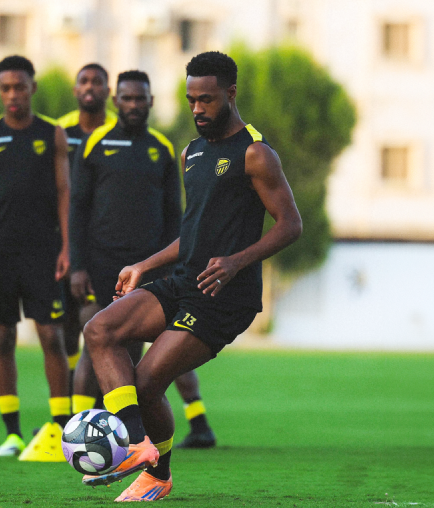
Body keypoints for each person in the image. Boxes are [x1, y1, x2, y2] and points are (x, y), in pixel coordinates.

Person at [79, 51, 303, 501]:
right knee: (99, 330)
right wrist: (144, 265)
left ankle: (155, 471)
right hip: (183, 282)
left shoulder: (256, 154)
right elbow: (194, 232)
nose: (197, 109)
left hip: (225, 297)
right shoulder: (191, 152)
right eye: (191, 100)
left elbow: (291, 225)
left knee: (147, 382)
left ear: (230, 94)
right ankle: (140, 450)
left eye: (207, 100)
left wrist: (236, 261)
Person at [64, 67, 218, 449]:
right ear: (115, 101)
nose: (133, 104)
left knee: (141, 353)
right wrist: (77, 265)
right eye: (127, 98)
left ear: (151, 101)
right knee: (94, 339)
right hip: (100, 265)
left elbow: (175, 216)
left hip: (149, 268)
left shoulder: (162, 148)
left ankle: (134, 432)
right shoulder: (94, 143)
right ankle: (75, 428)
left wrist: (173, 267)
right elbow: (77, 209)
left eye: (140, 98)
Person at [0, 55, 71, 458]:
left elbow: (64, 192)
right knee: (2, 336)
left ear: (33, 88)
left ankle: (61, 429)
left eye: (20, 87)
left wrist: (67, 246)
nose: (13, 95)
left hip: (44, 250)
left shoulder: (52, 134)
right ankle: (12, 433)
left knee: (51, 335)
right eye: (6, 88)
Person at [57, 63, 117, 390]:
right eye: (84, 81)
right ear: (75, 89)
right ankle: (70, 394)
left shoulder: (118, 131)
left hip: (103, 243)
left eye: (97, 81)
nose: (90, 86)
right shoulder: (60, 131)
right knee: (64, 324)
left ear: (108, 90)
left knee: (95, 321)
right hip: (62, 242)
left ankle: (92, 397)